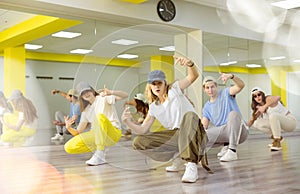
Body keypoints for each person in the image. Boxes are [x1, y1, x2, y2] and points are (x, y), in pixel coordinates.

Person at [122, 56, 212, 184]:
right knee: (138, 142)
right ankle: (178, 156)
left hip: (195, 133)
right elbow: (142, 130)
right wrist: (127, 122)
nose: (157, 86)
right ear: (150, 86)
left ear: (165, 83)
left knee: (190, 116)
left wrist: (190, 64)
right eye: (154, 84)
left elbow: (193, 76)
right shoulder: (153, 107)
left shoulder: (174, 89)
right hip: (177, 136)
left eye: (159, 83)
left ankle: (191, 164)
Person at [64, 81, 128, 166]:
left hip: (113, 133)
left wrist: (111, 92)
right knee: (68, 147)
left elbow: (125, 95)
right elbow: (78, 132)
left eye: (87, 91)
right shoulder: (85, 111)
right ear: (81, 97)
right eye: (83, 93)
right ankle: (99, 147)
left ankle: (99, 154)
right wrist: (68, 128)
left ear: (92, 91)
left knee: (99, 117)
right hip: (97, 134)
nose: (86, 94)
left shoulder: (103, 98)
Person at [202, 73, 248, 162]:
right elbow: (203, 126)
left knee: (233, 114)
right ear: (204, 89)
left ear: (216, 86)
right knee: (201, 135)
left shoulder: (226, 93)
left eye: (212, 87)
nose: (210, 90)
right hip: (225, 133)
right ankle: (193, 159)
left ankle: (232, 151)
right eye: (207, 88)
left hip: (240, 131)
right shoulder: (206, 107)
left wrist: (232, 76)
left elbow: (241, 85)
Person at [248, 87, 296, 151]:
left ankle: (277, 141)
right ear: (254, 99)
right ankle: (279, 138)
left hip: (290, 122)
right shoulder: (259, 108)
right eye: (255, 96)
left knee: (273, 115)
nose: (257, 97)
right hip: (279, 125)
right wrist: (243, 130)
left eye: (259, 94)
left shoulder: (268, 99)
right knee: (256, 123)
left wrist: (264, 106)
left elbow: (278, 97)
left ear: (262, 94)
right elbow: (252, 120)